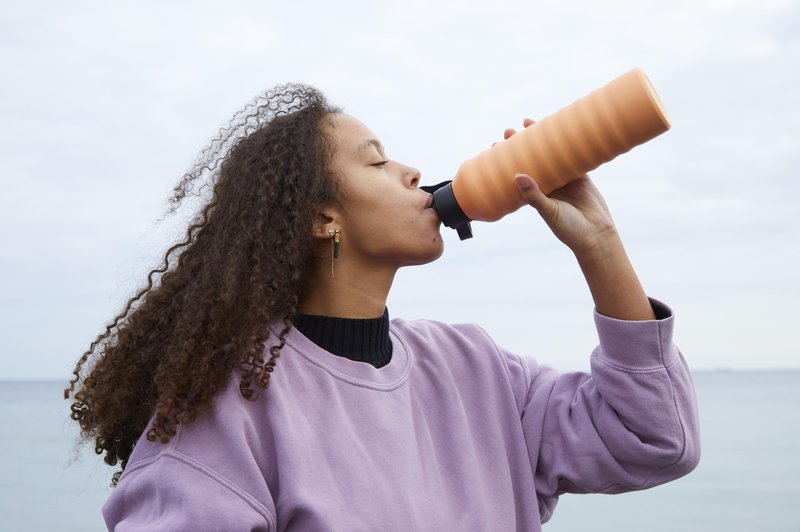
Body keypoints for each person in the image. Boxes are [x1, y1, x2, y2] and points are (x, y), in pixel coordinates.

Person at [65, 83, 700, 531]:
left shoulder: (474, 368)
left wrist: (601, 247)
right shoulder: (225, 410)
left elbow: (653, 438)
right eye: (377, 160)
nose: (412, 172)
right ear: (322, 217)